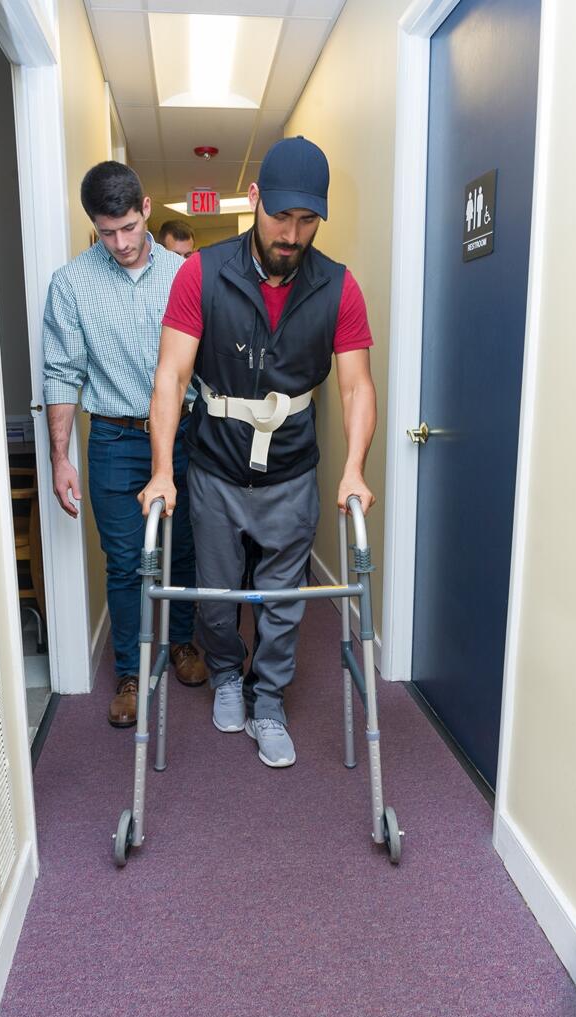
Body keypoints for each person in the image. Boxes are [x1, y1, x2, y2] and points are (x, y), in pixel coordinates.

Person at [141, 136, 376, 768]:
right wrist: (163, 469)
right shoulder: (202, 273)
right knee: (216, 596)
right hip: (216, 466)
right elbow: (170, 375)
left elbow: (356, 385)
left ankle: (267, 699)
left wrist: (353, 466)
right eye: (281, 217)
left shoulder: (338, 288)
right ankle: (225, 675)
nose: (292, 234)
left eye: (307, 221)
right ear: (254, 200)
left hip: (291, 471)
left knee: (283, 600)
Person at [43, 161, 207, 728]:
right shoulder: (71, 284)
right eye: (106, 232)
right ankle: (131, 672)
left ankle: (182, 644)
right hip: (113, 437)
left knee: (183, 548)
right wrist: (60, 457)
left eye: (129, 228)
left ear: (146, 207)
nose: (120, 243)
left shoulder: (185, 275)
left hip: (183, 434)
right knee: (126, 562)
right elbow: (62, 372)